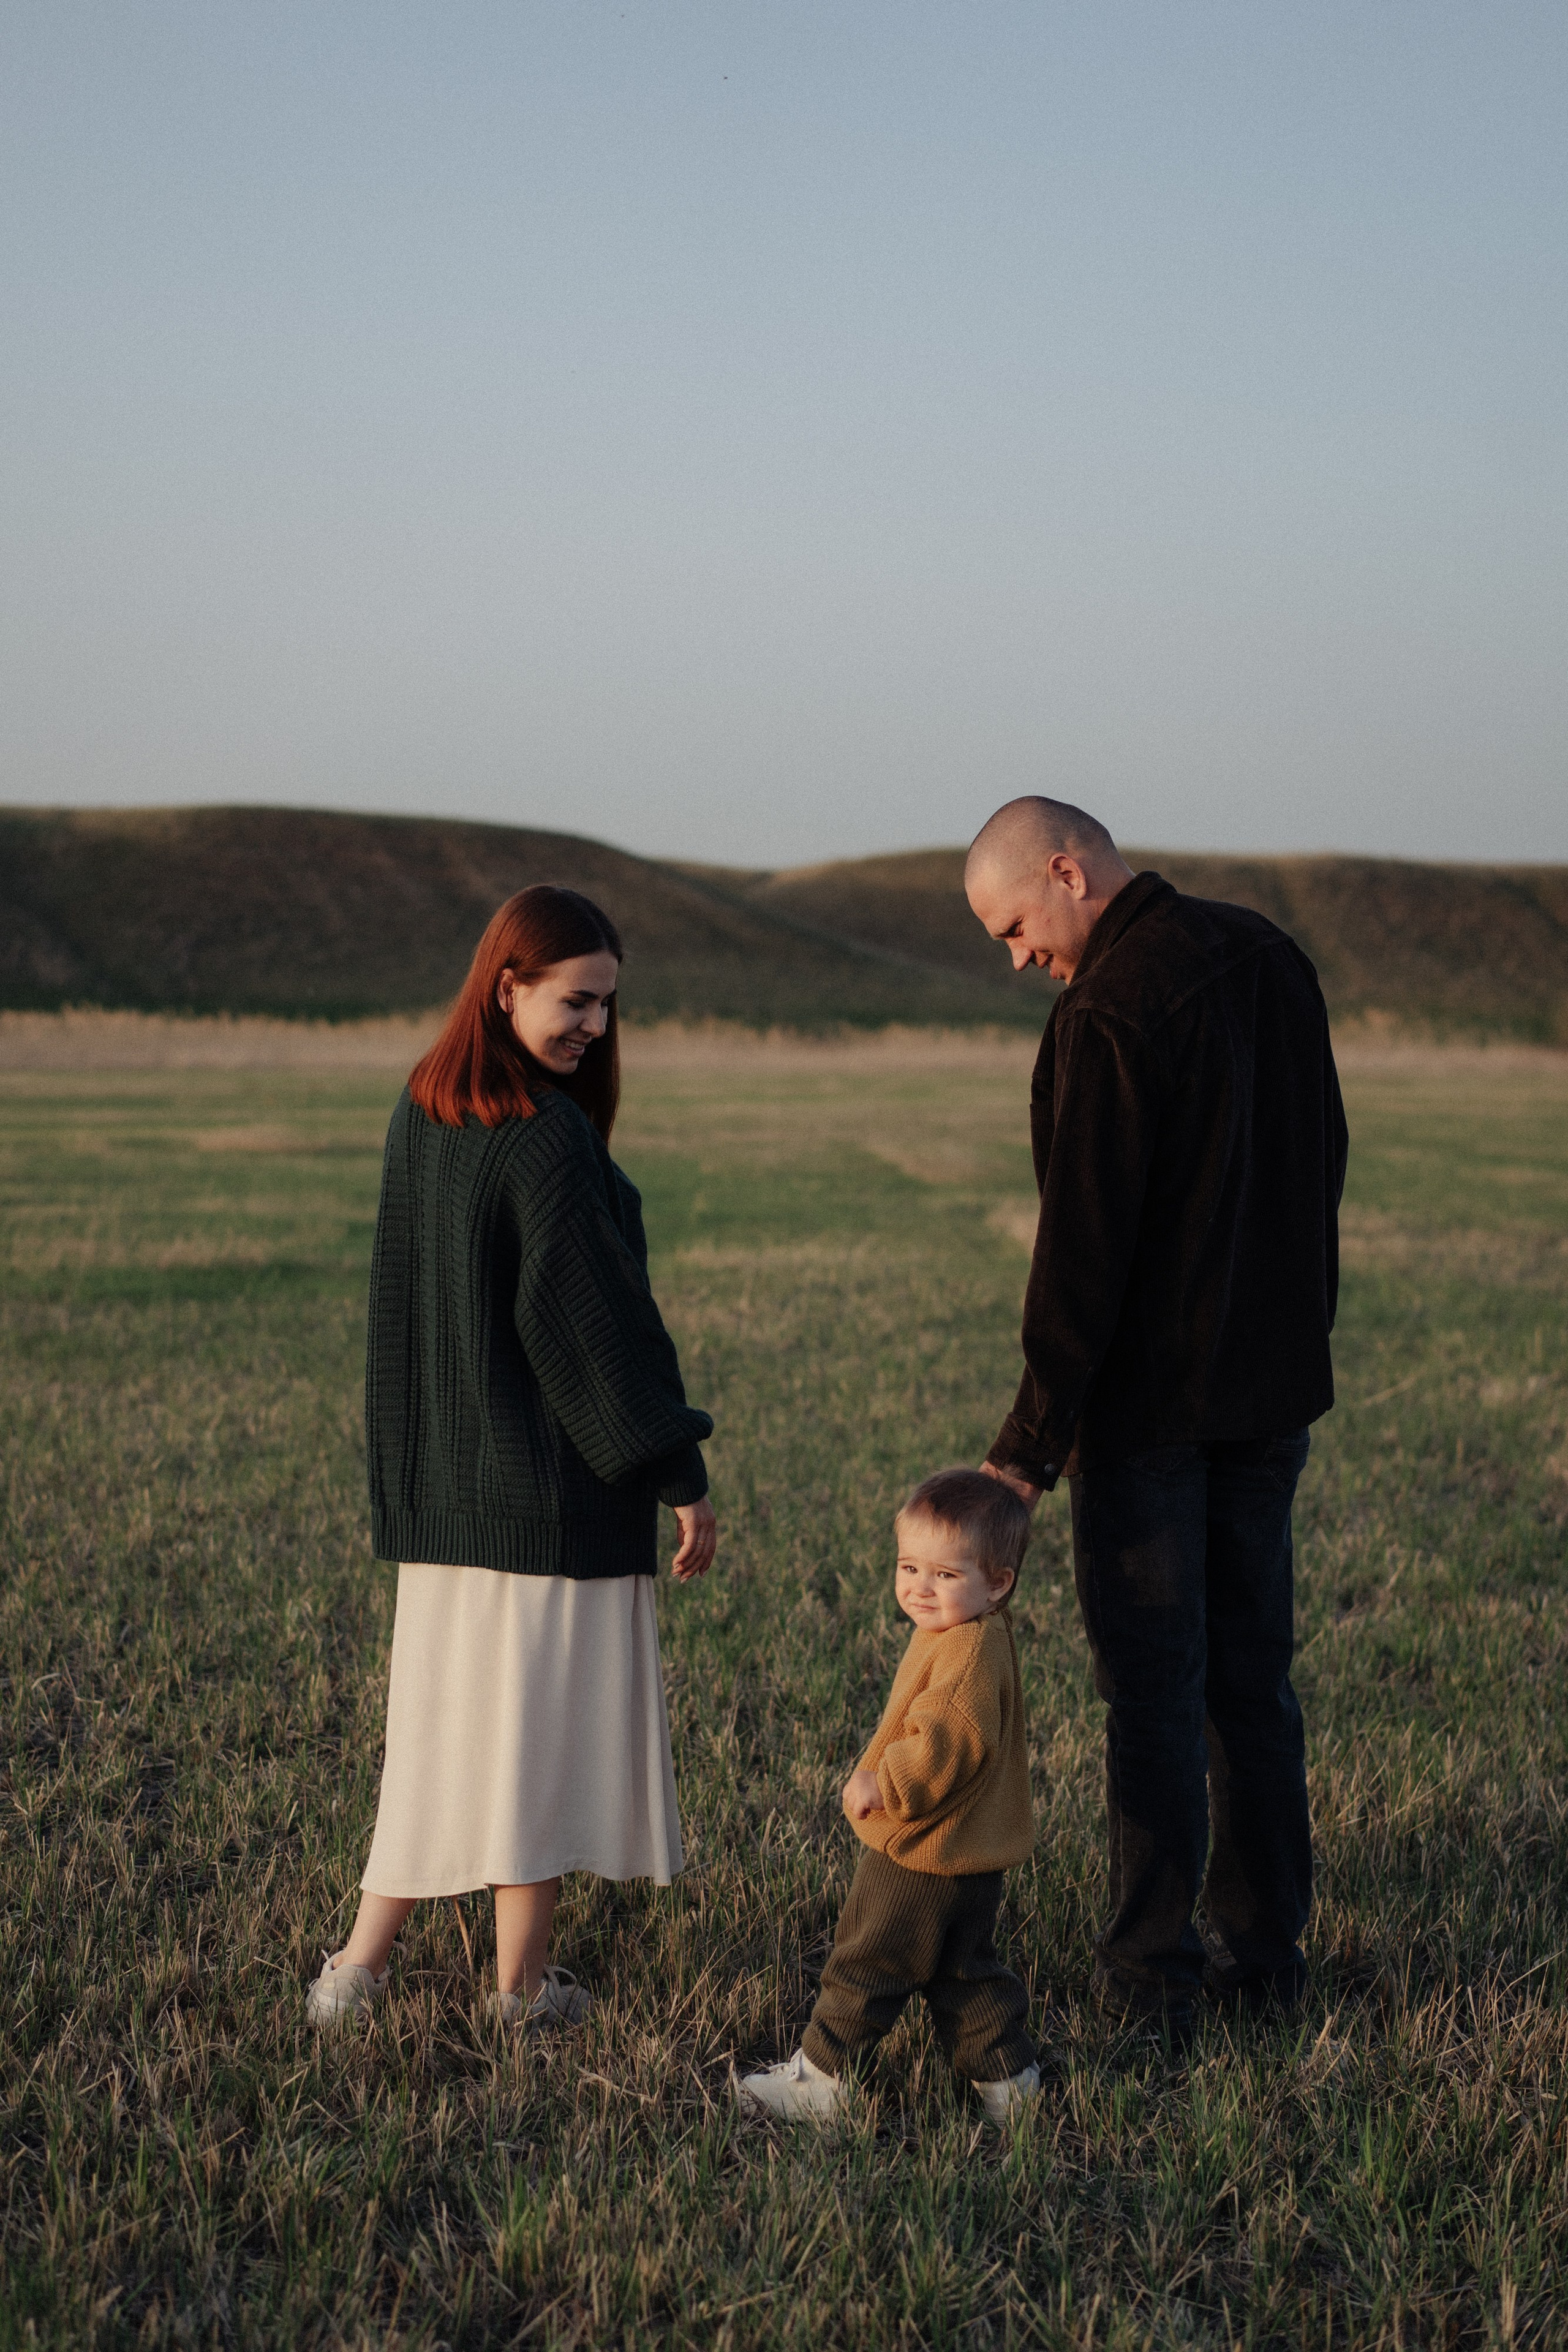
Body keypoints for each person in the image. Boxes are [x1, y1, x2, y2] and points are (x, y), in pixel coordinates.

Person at [965, 797, 1348, 2035]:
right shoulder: (1270, 956)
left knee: (1153, 1692)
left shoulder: (1111, 1011)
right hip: (1268, 1391)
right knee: (1253, 1683)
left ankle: (1151, 1983)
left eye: (1015, 924)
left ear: (1068, 871)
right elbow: (1322, 1164)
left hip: (1149, 1416)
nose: (1015, 957)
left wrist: (1024, 1448)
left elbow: (1084, 1252)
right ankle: (1265, 1964)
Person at [305, 884, 716, 2031]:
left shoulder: (424, 1110)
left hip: (445, 1507)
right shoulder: (542, 1137)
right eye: (575, 1000)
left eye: (607, 1007)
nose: (593, 1025)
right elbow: (593, 1334)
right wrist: (676, 1470)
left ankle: (354, 1974)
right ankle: (521, 1990)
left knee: (440, 1739)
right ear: (508, 986)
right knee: (528, 1749)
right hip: (544, 1503)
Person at [737, 1468, 1039, 2124]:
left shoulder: (964, 1653)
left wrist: (887, 1781)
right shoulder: (974, 1633)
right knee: (964, 1974)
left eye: (946, 1575)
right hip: (969, 1856)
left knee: (865, 1961)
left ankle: (823, 2083)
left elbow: (947, 1738)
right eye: (909, 1567)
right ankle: (1008, 2082)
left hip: (919, 1851)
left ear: (999, 1582)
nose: (920, 1588)